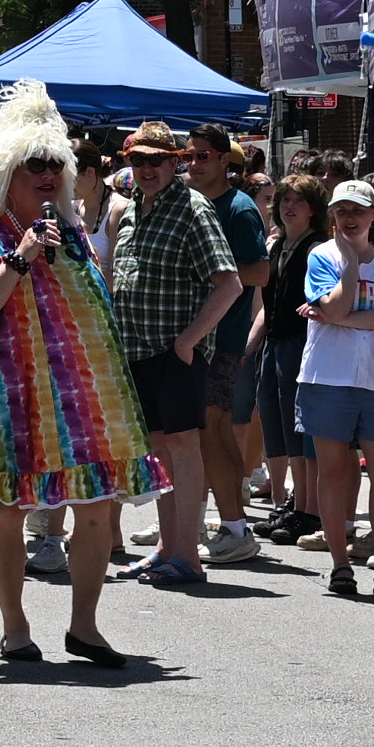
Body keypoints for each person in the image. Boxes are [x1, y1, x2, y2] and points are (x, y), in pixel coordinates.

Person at [0, 84, 161, 665]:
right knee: (8, 512)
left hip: (82, 400)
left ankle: (84, 627)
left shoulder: (75, 234)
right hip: (8, 399)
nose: (47, 174)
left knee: (97, 508)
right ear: (5, 171)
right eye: (33, 164)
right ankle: (15, 627)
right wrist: (21, 256)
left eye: (55, 164)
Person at [103, 123, 251, 591]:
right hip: (137, 351)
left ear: (175, 162)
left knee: (183, 448)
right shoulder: (131, 210)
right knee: (160, 452)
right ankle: (169, 549)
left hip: (175, 354)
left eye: (156, 160)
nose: (146, 168)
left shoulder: (193, 208)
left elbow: (230, 284)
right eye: (138, 160)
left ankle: (188, 554)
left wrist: (189, 341)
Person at [294, 181, 374, 598]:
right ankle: (340, 565)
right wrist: (349, 266)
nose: (349, 218)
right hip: (328, 377)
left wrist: (335, 317)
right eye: (342, 210)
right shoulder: (322, 255)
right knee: (334, 472)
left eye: (358, 210)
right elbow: (338, 304)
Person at [186, 126, 273, 566]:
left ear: (225, 160)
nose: (194, 163)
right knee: (199, 435)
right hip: (192, 337)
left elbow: (259, 273)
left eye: (203, 156)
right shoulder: (190, 202)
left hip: (222, 340)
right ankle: (195, 525)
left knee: (213, 432)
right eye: (189, 156)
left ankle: (236, 529)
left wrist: (207, 269)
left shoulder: (239, 208)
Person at [252, 173, 324, 543]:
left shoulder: (317, 247)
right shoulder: (278, 245)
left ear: (313, 209)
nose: (289, 207)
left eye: (299, 200)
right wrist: (250, 346)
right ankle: (288, 503)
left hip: (302, 342)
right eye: (284, 200)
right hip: (274, 342)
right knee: (274, 419)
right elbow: (268, 305)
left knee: (298, 426)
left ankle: (306, 509)